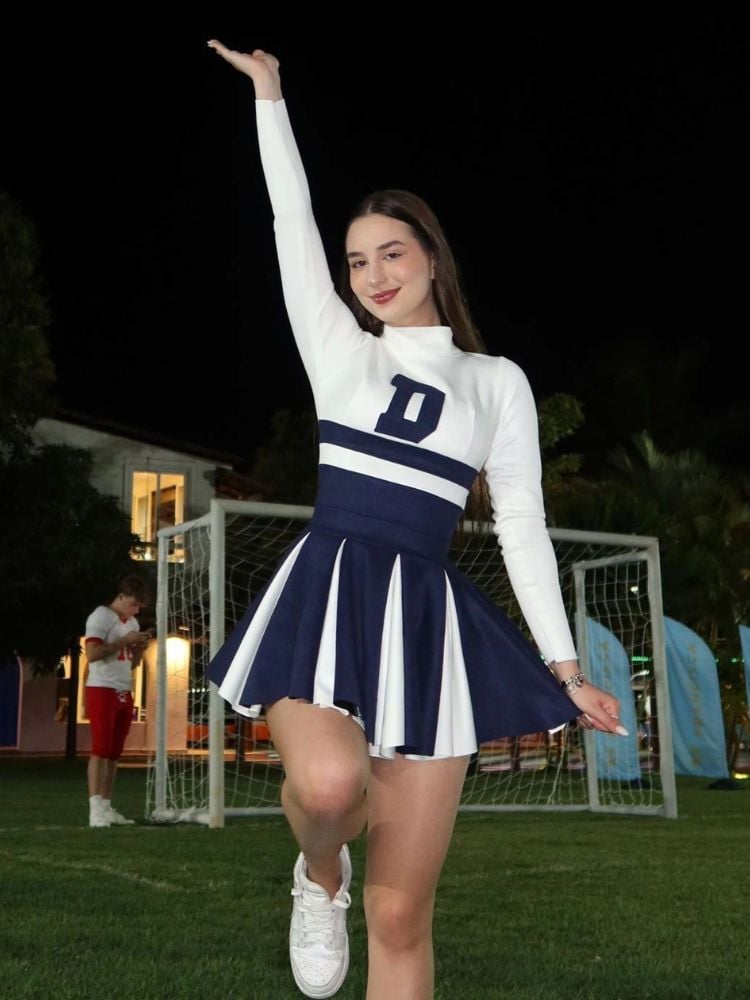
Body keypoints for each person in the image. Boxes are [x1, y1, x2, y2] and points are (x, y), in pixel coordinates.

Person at [206, 40, 627, 1000]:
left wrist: (566, 667)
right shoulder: (339, 353)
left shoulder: (495, 383)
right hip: (326, 594)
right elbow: (288, 221)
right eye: (357, 261)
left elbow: (521, 525)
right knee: (325, 789)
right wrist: (270, 95)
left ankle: (357, 895)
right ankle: (318, 875)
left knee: (401, 917)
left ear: (432, 256)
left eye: (391, 251)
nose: (372, 273)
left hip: (430, 631)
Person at [84, 574, 151, 828]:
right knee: (100, 750)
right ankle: (94, 809)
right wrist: (125, 641)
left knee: (114, 754)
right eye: (133, 603)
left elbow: (130, 664)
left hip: (123, 689)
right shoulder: (101, 616)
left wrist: (139, 648)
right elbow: (92, 654)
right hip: (102, 689)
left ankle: (106, 806)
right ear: (121, 596)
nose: (135, 610)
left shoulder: (130, 621)